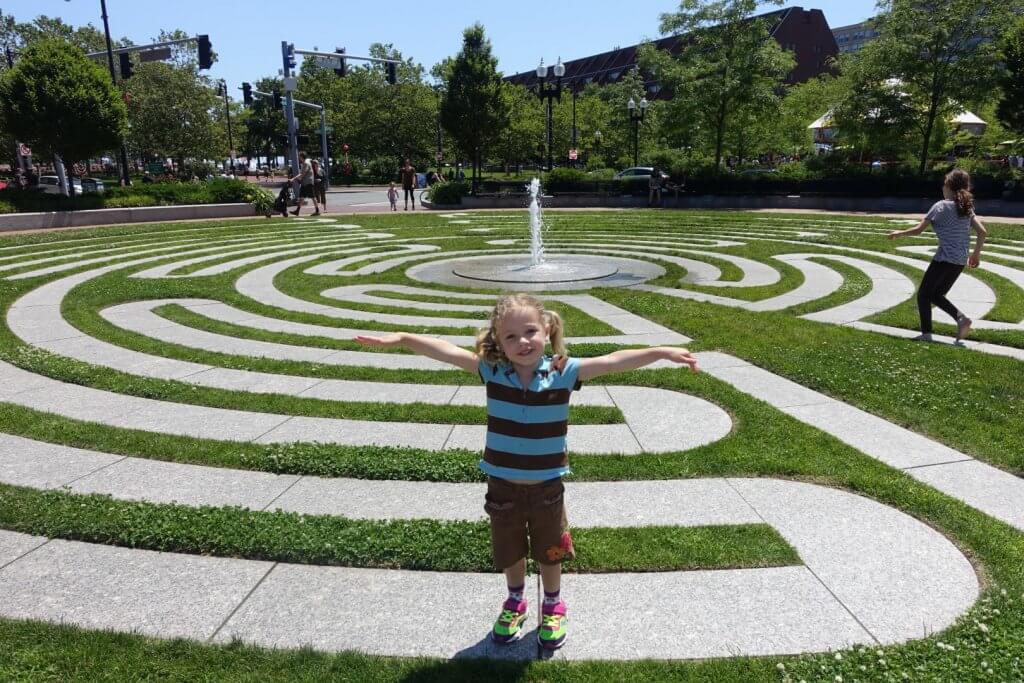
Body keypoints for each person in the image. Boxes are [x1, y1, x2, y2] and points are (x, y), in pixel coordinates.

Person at [353, 293, 699, 650]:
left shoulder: (564, 371)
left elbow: (612, 361)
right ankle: (515, 601)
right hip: (502, 485)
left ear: (547, 329)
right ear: (497, 342)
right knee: (510, 550)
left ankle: (552, 604)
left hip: (547, 486)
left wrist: (660, 352)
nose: (523, 342)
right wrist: (403, 338)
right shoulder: (492, 371)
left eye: (530, 331)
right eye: (511, 336)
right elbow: (446, 350)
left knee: (550, 551)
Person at [888, 169, 987, 343]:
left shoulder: (940, 206)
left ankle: (927, 334)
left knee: (923, 295)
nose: (942, 187)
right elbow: (982, 232)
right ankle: (962, 319)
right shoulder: (966, 207)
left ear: (949, 186)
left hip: (944, 258)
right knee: (936, 295)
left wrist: (899, 233)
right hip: (959, 260)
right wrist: (976, 255)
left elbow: (918, 230)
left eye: (944, 184)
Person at [289, 152, 320, 216]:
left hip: (308, 183)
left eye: (299, 156)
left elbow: (302, 174)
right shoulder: (306, 162)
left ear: (301, 157)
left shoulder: (306, 163)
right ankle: (297, 211)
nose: (298, 158)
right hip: (305, 183)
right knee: (302, 197)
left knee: (313, 197)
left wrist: (293, 179)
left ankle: (317, 211)